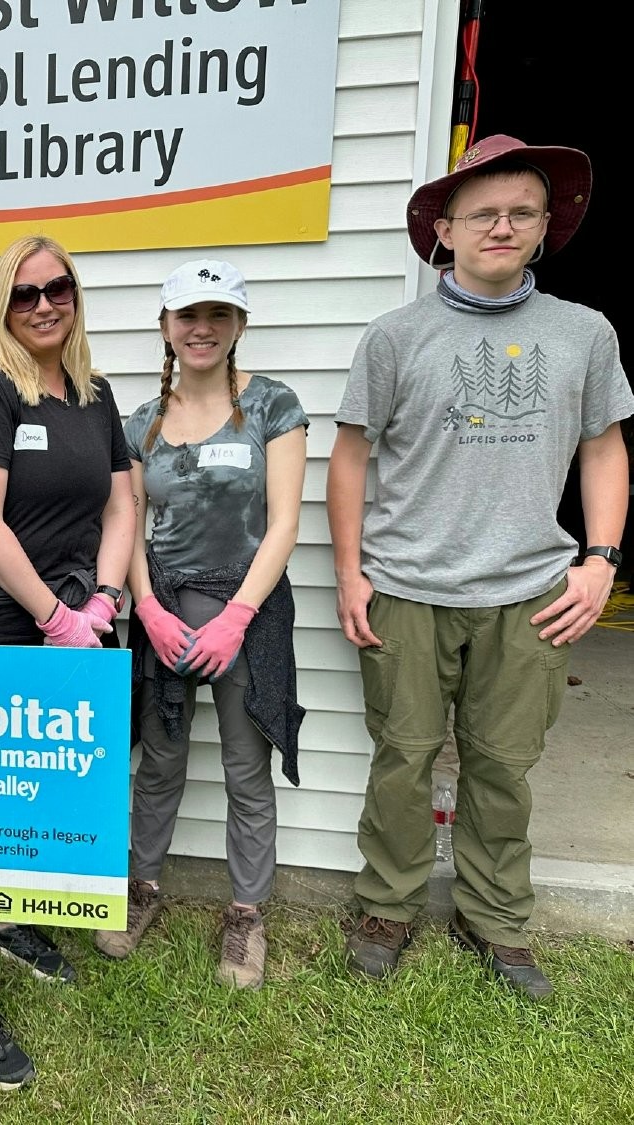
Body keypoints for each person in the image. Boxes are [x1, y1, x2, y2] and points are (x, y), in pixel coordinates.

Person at [329, 136, 633, 999]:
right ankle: (385, 905)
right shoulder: (394, 338)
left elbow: (604, 446)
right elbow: (350, 458)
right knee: (404, 755)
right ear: (445, 229)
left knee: (502, 762)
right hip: (408, 589)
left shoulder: (584, 334)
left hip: (531, 591)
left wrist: (602, 559)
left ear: (544, 228)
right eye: (482, 213)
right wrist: (352, 572)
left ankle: (495, 918)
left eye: (520, 213)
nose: (501, 226)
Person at [0, 233, 135, 1087]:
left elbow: (122, 504)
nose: (45, 304)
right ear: (3, 304)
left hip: (73, 615)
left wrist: (104, 602)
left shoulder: (94, 393)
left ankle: (3, 920)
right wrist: (53, 615)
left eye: (59, 288)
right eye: (25, 293)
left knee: (31, 784)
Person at [99, 259, 307, 990]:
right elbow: (125, 524)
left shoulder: (274, 406)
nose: (202, 328)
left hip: (246, 613)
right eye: (188, 314)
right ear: (164, 326)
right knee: (158, 760)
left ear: (239, 326)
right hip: (165, 610)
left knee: (246, 768)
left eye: (218, 314)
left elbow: (284, 523)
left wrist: (236, 618)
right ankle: (142, 887)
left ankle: (247, 912)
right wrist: (147, 609)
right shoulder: (138, 424)